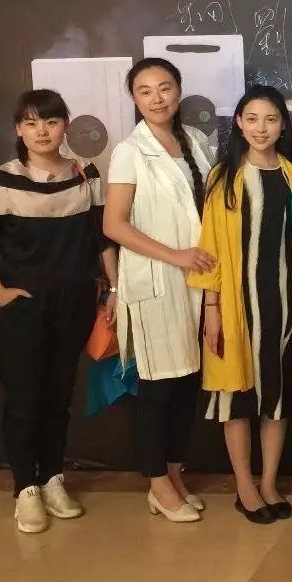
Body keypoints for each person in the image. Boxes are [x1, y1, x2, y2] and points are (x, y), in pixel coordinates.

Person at [0, 89, 118, 534]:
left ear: (65, 125)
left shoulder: (85, 174)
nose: (42, 131)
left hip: (74, 303)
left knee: (58, 395)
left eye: (50, 121)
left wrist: (114, 288)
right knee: (23, 398)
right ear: (19, 129)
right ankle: (25, 489)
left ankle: (52, 478)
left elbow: (101, 239)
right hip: (23, 308)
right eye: (31, 123)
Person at [188, 85, 292, 525]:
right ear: (239, 124)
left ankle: (269, 483)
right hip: (235, 306)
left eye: (271, 119)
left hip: (285, 304)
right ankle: (244, 485)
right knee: (237, 398)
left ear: (283, 126)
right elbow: (210, 247)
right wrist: (211, 308)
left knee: (277, 397)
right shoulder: (223, 178)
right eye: (253, 118)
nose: (262, 128)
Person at [103, 57, 214, 523]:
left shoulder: (196, 141)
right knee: (157, 387)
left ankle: (173, 473)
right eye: (145, 91)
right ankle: (156, 483)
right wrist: (175, 256)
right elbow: (114, 224)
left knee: (187, 381)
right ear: (133, 98)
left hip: (195, 279)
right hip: (155, 279)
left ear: (178, 90)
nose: (156, 98)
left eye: (164, 88)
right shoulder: (129, 151)